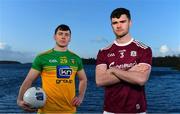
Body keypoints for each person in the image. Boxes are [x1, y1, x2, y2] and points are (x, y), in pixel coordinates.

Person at [17, 24, 87, 113]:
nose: (63, 37)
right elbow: (29, 80)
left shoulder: (76, 58)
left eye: (66, 35)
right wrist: (19, 100)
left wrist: (80, 97)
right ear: (54, 37)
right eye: (60, 34)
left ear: (70, 38)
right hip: (46, 110)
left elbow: (83, 79)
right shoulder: (42, 57)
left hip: (70, 110)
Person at [96, 8, 152, 113]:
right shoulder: (104, 51)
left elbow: (141, 79)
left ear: (130, 23)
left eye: (122, 21)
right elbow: (100, 81)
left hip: (137, 110)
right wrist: (131, 71)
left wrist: (113, 70)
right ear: (111, 25)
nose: (118, 26)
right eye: (115, 23)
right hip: (110, 110)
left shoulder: (144, 49)